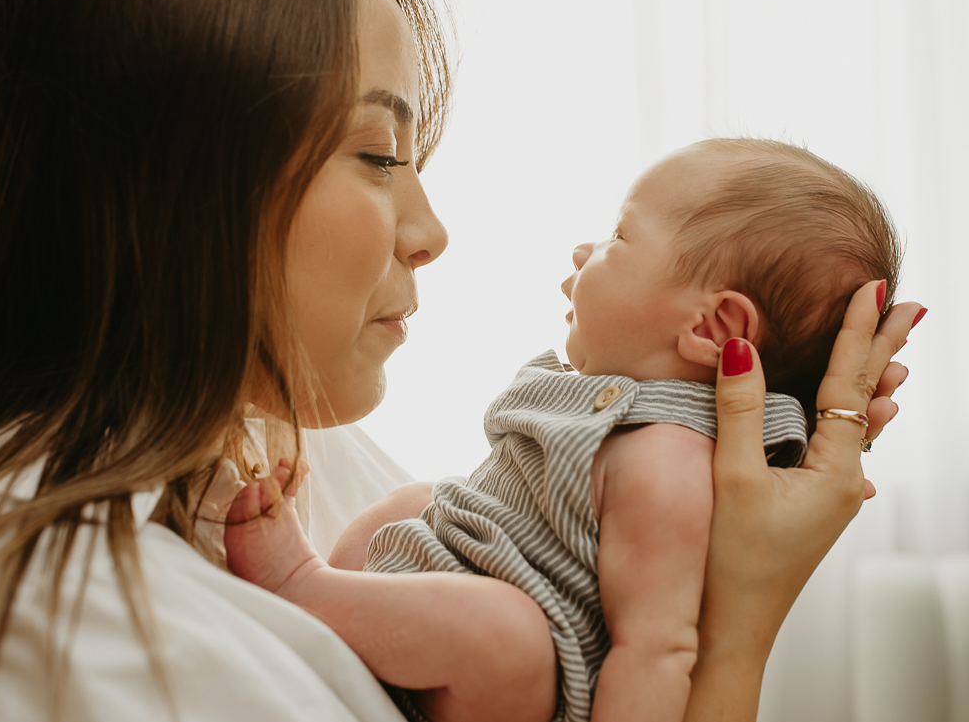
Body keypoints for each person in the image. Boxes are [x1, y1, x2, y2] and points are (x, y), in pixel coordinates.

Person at [0, 0, 922, 721]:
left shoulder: (271, 444)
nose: (431, 233)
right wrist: (743, 622)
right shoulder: (77, 616)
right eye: (379, 155)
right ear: (177, 190)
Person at [222, 138, 914, 722]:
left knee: (508, 633)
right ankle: (332, 614)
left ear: (712, 328)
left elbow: (656, 650)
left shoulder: (667, 461)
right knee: (417, 502)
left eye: (619, 237)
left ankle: (300, 585)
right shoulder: (615, 410)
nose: (585, 250)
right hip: (444, 608)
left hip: (511, 680)